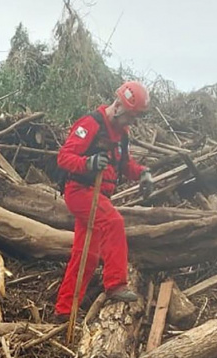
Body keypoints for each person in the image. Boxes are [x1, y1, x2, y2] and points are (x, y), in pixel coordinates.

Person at [53, 80, 155, 321]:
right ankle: (116, 285)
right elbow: (64, 157)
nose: (132, 122)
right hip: (80, 190)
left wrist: (142, 172)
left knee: (86, 254)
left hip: (99, 195)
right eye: (131, 116)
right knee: (114, 222)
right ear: (118, 105)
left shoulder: (122, 135)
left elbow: (124, 165)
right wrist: (87, 164)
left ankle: (64, 310)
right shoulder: (90, 124)